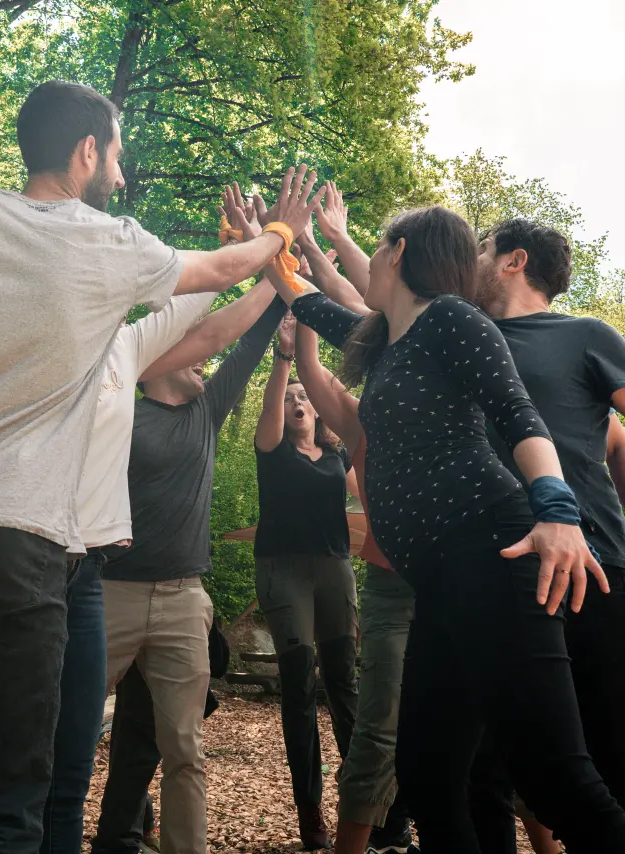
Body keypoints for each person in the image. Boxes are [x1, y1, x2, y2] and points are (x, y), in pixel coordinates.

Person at [0, 74, 324, 853]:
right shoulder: (97, 240)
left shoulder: (91, 311)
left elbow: (197, 317)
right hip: (24, 539)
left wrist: (261, 270)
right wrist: (280, 233)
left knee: (58, 768)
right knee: (13, 791)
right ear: (86, 151)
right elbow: (208, 275)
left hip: (71, 558)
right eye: (115, 156)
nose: (119, 173)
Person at [263, 204, 625, 853]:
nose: (372, 257)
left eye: (378, 246)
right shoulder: (388, 341)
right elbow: (312, 304)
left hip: (490, 550)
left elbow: (519, 415)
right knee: (430, 777)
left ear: (399, 252)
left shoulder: (454, 319)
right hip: (440, 576)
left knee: (555, 777)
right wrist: (271, 245)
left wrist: (558, 511)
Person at [41, 270, 279, 854]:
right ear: (163, 358)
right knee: (64, 733)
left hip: (183, 599)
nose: (206, 361)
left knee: (185, 750)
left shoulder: (207, 409)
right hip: (109, 593)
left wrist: (280, 271)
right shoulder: (119, 413)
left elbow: (248, 343)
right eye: (195, 352)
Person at [465, 218, 625, 852]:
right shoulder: (461, 338)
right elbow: (376, 302)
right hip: (495, 573)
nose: (471, 258)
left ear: (514, 260)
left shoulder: (584, 335)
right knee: (486, 769)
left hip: (595, 567)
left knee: (608, 756)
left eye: (481, 247)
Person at [293, 317, 418, 854]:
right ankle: (376, 836)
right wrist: (297, 292)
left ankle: (402, 830)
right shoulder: (363, 422)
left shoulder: (463, 398)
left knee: (471, 723)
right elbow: (312, 368)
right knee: (378, 725)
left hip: (462, 579)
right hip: (391, 582)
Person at [253, 312, 359, 851]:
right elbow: (276, 403)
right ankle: (309, 807)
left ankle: (364, 801)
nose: (298, 402)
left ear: (317, 409)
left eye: (305, 397)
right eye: (291, 397)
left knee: (344, 682)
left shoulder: (337, 456)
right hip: (283, 569)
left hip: (334, 567)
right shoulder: (272, 450)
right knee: (298, 685)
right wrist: (285, 357)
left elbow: (370, 493)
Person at [95, 617, 230, 854]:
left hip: (171, 611)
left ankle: (131, 833)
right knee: (140, 741)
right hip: (130, 607)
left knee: (158, 747)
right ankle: (128, 834)